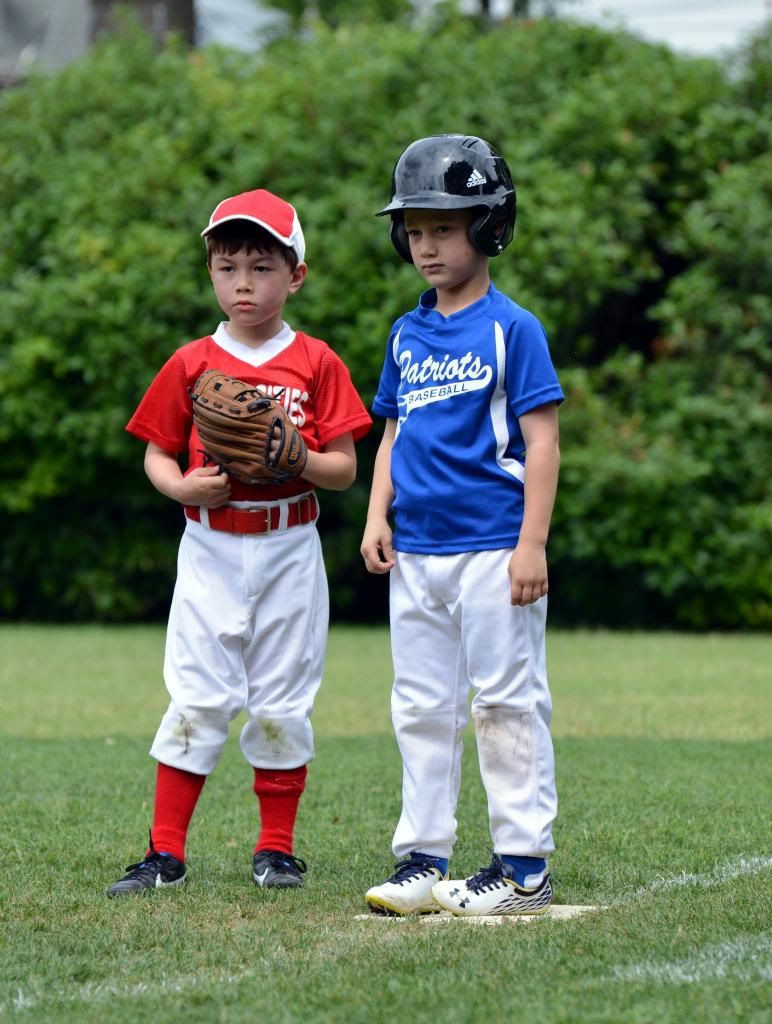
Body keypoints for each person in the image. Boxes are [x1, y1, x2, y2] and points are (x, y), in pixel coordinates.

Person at [107, 188, 372, 897]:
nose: (244, 283)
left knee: (283, 699)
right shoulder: (191, 361)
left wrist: (300, 461)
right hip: (210, 548)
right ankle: (165, 853)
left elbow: (345, 470)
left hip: (289, 545)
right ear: (212, 275)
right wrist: (181, 488)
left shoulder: (316, 362)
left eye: (261, 266)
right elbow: (158, 455)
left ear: (296, 275)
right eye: (228, 268)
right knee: (196, 697)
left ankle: (276, 851)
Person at [360, 134, 564, 917]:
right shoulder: (407, 335)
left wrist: (531, 543)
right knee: (420, 706)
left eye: (444, 227)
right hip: (416, 552)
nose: (426, 245)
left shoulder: (514, 329)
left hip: (492, 549)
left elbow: (542, 441)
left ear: (488, 226)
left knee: (506, 702)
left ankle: (522, 868)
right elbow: (393, 433)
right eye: (414, 229)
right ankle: (423, 857)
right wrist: (379, 514)